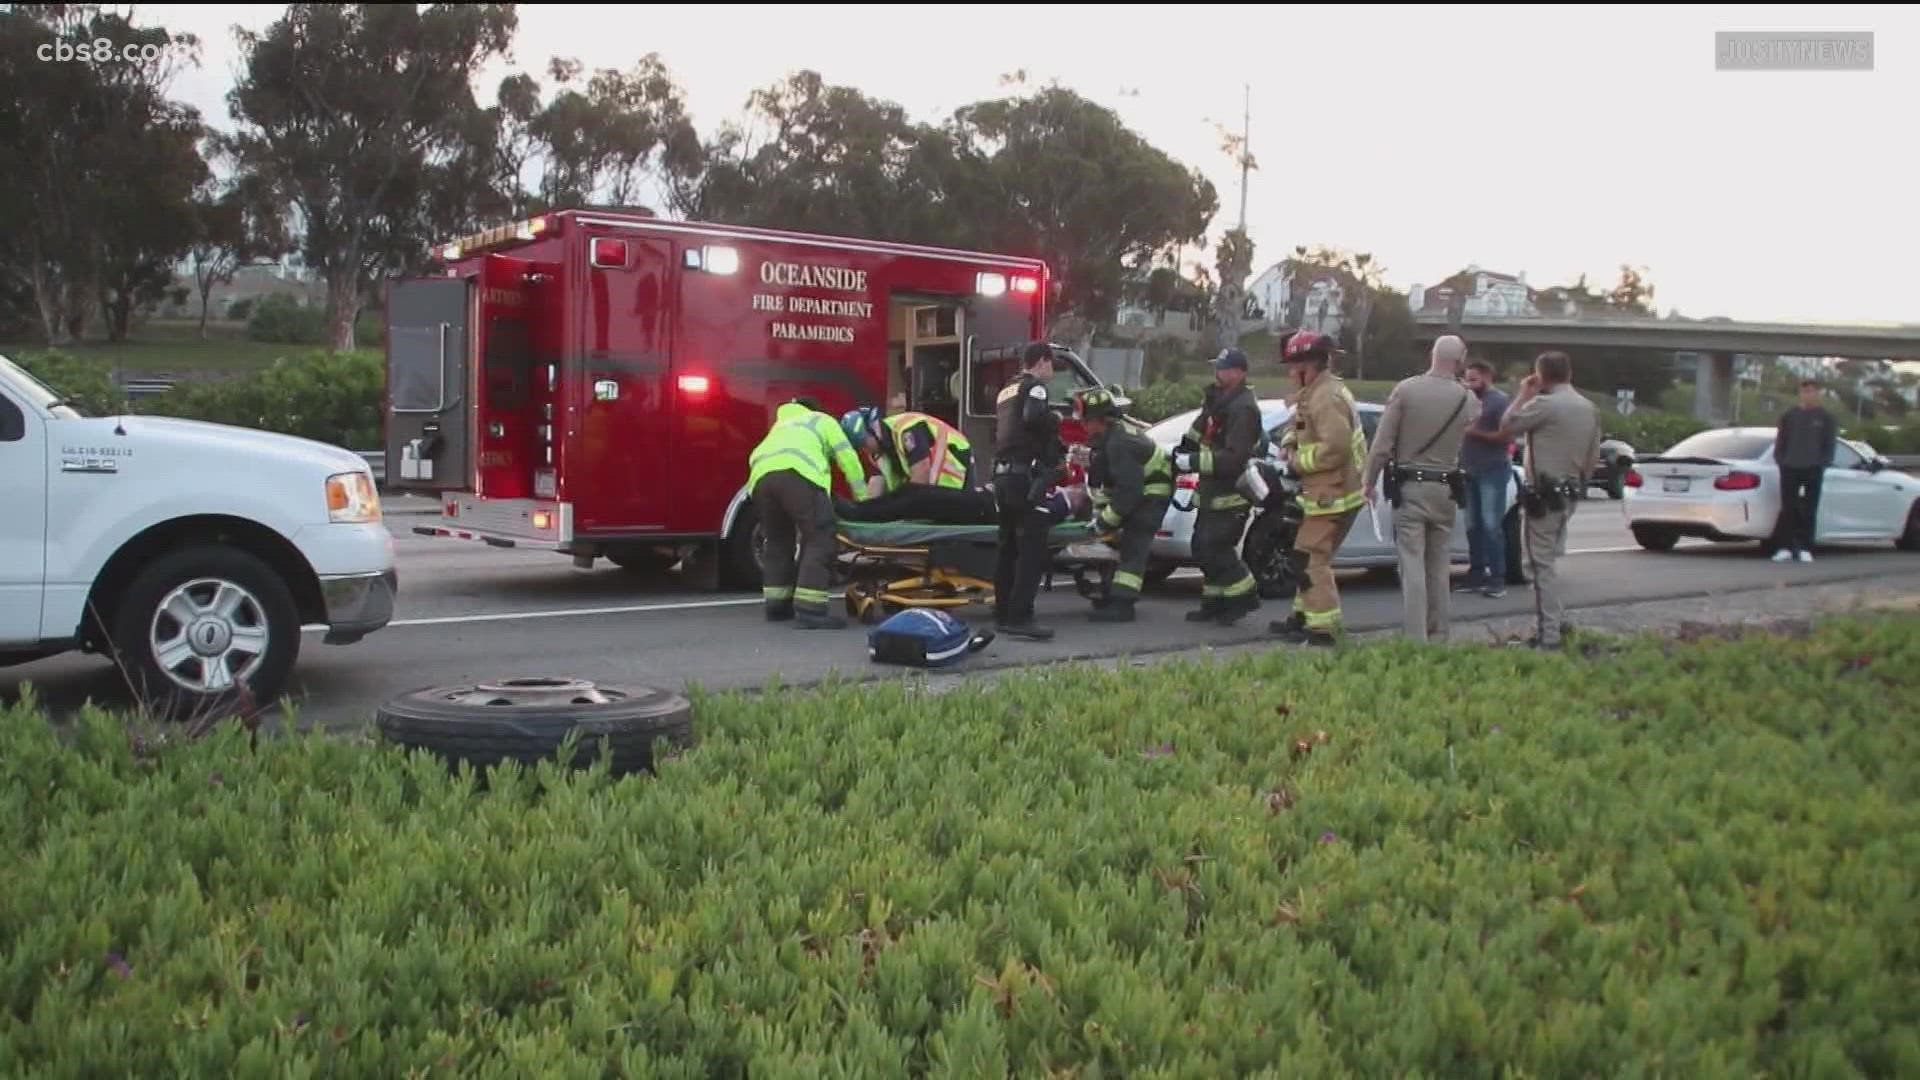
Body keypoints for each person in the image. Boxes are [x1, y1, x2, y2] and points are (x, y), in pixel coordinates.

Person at [1479, 351, 1601, 649]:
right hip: (1570, 491)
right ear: (1569, 374)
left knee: (1538, 564)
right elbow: (1593, 455)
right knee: (1549, 561)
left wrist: (1524, 393)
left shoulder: (1545, 405)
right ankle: (1554, 622)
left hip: (1544, 495)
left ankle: (1548, 634)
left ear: (1542, 375)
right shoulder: (1589, 408)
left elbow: (1507, 424)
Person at [1362, 334, 1476, 643]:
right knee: (1439, 565)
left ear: (1432, 355)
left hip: (1411, 486)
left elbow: (1383, 444)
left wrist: (1369, 480)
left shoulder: (1407, 390)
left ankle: (1416, 638)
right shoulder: (1467, 398)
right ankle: (1440, 633)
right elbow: (1472, 421)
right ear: (1460, 361)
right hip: (1447, 489)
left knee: (1411, 563)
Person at [1270, 331, 1366, 647]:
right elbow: (1299, 422)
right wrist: (1288, 442)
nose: (1288, 372)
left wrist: (1298, 462)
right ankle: (1302, 617)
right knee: (1304, 555)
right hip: (1327, 492)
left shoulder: (1326, 397)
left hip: (1333, 494)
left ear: (1306, 366)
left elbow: (1335, 448)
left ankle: (1324, 627)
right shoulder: (1315, 392)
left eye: (1292, 365)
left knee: (1313, 558)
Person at [746, 396, 868, 629]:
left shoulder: (781, 425)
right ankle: (810, 610)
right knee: (819, 538)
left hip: (760, 480)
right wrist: (862, 498)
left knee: (778, 541)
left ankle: (777, 605)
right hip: (798, 476)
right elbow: (847, 458)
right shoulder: (822, 420)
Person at [1172, 348, 1267, 625]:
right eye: (1218, 367)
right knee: (1201, 547)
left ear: (1239, 373)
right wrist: (1182, 449)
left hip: (1231, 493)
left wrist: (1192, 460)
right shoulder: (1217, 399)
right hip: (1211, 491)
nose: (1218, 373)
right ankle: (1213, 602)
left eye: (1224, 369)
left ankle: (1244, 596)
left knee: (1217, 548)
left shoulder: (1244, 408)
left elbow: (1233, 458)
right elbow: (1198, 430)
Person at [1077, 387, 1174, 623]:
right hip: (1141, 494)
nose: (1084, 427)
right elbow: (1108, 481)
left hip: (1151, 496)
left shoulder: (1121, 442)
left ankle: (1123, 606)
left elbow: (1128, 492)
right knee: (1119, 545)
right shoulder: (1111, 437)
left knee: (1133, 546)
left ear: (1100, 420)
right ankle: (1113, 595)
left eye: (1087, 421)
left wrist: (1103, 522)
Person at [990, 342, 1065, 640]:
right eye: (1052, 364)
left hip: (1003, 477)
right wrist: (1055, 420)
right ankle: (1020, 616)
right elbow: (1034, 418)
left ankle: (1003, 611)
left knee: (1007, 547)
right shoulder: (1035, 388)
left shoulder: (1006, 390)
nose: (1052, 371)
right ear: (1043, 361)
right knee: (1032, 548)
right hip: (1025, 479)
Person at [835, 406, 995, 524]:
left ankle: (858, 513)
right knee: (904, 494)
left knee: (910, 494)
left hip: (955, 479)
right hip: (936, 493)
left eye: (864, 443)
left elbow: (921, 478)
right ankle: (858, 513)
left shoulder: (907, 430)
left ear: (874, 428)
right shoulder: (880, 451)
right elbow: (878, 485)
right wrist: (867, 510)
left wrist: (899, 513)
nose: (864, 449)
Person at [1456, 359, 1513, 597]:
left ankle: (1497, 578)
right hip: (1469, 470)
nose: (1469, 384)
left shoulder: (1498, 402)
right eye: (1467, 379)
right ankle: (1476, 573)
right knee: (1472, 525)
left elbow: (1505, 436)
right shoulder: (1466, 400)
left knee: (1491, 525)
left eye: (1474, 379)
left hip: (1493, 469)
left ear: (1488, 377)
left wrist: (1474, 433)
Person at [1771, 378, 1837, 564]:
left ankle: (1806, 548)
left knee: (1809, 509)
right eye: (1805, 391)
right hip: (1790, 467)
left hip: (1813, 468)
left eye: (1812, 391)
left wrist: (1822, 463)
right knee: (1788, 508)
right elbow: (1780, 441)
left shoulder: (1825, 417)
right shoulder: (1789, 415)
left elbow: (1829, 445)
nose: (1808, 394)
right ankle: (1785, 547)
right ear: (1800, 393)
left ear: (1818, 393)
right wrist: (1781, 461)